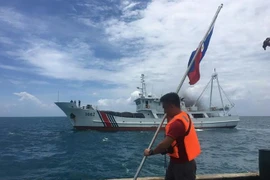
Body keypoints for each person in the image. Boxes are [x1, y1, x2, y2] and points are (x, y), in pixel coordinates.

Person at [144, 92, 201, 180]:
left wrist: (151, 152)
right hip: (176, 163)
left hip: (183, 167)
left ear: (171, 106)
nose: (164, 111)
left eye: (165, 108)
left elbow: (164, 145)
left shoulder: (177, 124)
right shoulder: (184, 116)